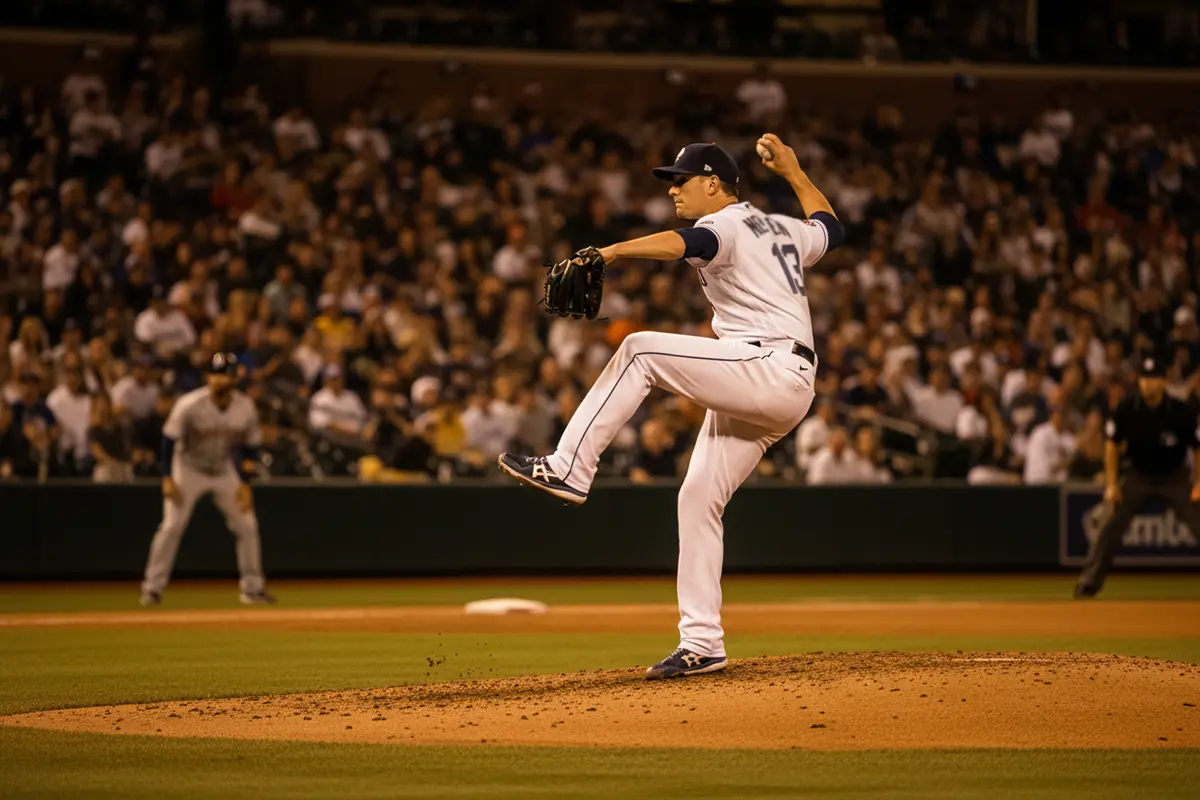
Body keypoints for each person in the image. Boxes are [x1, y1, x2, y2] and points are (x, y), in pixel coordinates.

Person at [497, 135, 843, 678]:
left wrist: (610, 251)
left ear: (713, 184)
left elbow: (687, 244)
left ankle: (568, 467)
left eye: (681, 180)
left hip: (767, 368)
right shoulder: (783, 228)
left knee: (639, 349)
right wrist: (796, 173)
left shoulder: (726, 224)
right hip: (777, 381)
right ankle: (702, 642)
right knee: (697, 497)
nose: (673, 190)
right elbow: (830, 227)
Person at [139, 353, 273, 606]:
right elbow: (168, 441)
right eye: (216, 374)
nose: (220, 380)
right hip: (187, 468)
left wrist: (245, 483)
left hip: (223, 470)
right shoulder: (190, 404)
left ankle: (252, 589)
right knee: (172, 526)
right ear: (207, 377)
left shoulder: (245, 407)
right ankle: (152, 588)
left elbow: (250, 448)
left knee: (247, 525)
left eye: (225, 374)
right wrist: (167, 477)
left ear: (234, 378)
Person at [1076, 355, 1200, 597]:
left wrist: (1199, 483)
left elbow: (1197, 447)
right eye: (1144, 379)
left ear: (1163, 382)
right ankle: (1089, 582)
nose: (1148, 384)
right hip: (1138, 475)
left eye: (1153, 379)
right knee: (1110, 521)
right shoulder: (1127, 408)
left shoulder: (1179, 411)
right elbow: (1112, 446)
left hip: (1174, 477)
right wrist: (1112, 484)